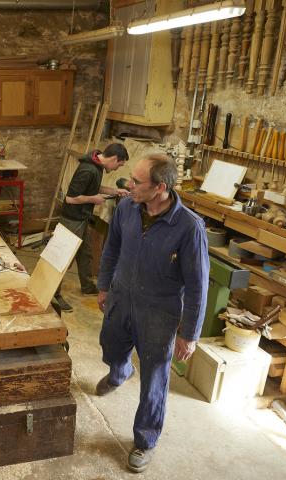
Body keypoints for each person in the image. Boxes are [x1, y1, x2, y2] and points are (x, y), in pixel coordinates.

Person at [95, 154, 209, 473]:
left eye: (136, 181)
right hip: (121, 297)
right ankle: (119, 371)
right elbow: (111, 249)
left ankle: (145, 440)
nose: (128, 185)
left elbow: (199, 285)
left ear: (160, 187)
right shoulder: (126, 208)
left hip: (160, 310)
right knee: (111, 345)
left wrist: (189, 334)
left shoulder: (189, 226)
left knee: (155, 378)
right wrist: (104, 286)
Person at [53, 143, 129, 313]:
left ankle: (87, 285)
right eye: (119, 164)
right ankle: (54, 294)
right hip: (72, 219)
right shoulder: (88, 169)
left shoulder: (97, 166)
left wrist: (115, 191)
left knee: (85, 252)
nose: (117, 168)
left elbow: (94, 187)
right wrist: (92, 199)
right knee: (63, 258)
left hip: (82, 217)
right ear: (114, 158)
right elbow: (70, 199)